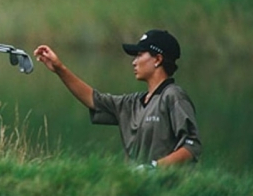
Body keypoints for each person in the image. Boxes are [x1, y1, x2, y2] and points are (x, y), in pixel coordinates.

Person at [33, 29, 202, 168]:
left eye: (139, 55)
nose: (133, 62)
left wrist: (154, 168)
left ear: (158, 59)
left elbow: (191, 146)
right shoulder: (133, 103)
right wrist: (59, 69)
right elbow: (94, 100)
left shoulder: (173, 96)